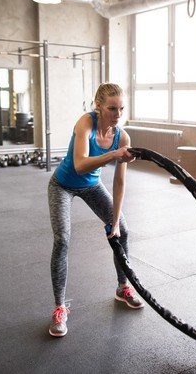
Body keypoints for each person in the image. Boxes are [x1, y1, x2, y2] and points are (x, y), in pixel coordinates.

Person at [47, 83, 142, 338]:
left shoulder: (122, 137)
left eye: (121, 108)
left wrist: (114, 221)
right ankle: (59, 307)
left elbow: (120, 182)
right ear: (98, 106)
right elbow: (79, 165)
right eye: (112, 108)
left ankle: (123, 287)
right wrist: (113, 155)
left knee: (122, 229)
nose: (118, 114)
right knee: (63, 240)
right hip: (62, 186)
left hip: (92, 186)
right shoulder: (85, 124)